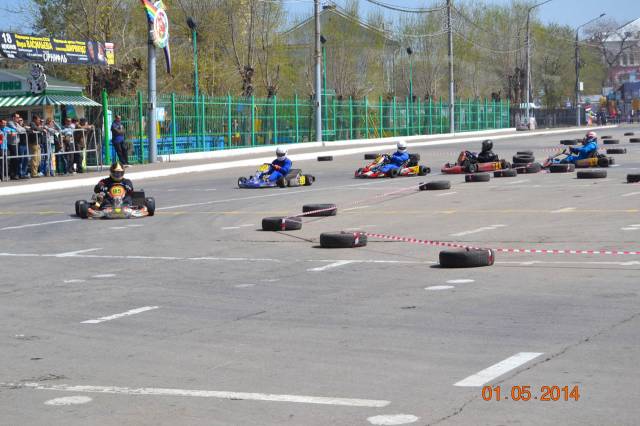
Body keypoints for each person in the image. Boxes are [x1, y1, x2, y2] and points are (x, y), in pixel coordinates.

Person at [7, 113, 29, 179]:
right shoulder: (10, 123)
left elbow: (23, 129)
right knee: (14, 159)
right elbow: (18, 130)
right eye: (17, 117)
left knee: (17, 159)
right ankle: (12, 174)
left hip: (17, 143)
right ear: (13, 118)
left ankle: (16, 174)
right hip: (12, 144)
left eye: (19, 117)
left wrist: (21, 129)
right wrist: (20, 130)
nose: (18, 119)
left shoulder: (17, 124)